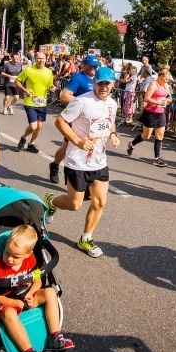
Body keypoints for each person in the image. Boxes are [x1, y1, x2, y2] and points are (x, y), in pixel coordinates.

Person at [44, 67, 120, 258]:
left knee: (100, 201)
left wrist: (113, 134)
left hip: (100, 162)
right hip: (77, 162)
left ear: (113, 84)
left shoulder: (112, 103)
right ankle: (51, 202)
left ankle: (86, 238)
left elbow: (110, 121)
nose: (103, 87)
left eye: (107, 83)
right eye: (100, 83)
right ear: (94, 82)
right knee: (74, 204)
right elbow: (60, 121)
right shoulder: (81, 101)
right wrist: (77, 141)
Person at [0, 225, 74, 352]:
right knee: (8, 313)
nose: (9, 259)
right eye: (7, 252)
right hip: (6, 303)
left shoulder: (30, 260)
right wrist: (12, 302)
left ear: (27, 254)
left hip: (26, 297)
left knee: (50, 292)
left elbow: (37, 280)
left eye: (15, 256)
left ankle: (55, 337)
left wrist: (31, 293)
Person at [49, 54, 99, 184]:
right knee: (69, 147)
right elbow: (64, 97)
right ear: (84, 65)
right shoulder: (78, 78)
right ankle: (56, 165)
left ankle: (87, 180)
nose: (94, 68)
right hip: (76, 119)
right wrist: (84, 103)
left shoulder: (98, 79)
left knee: (92, 148)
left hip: (92, 121)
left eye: (96, 66)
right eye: (92, 66)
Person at [127, 67, 172, 167]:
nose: (167, 81)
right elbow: (146, 99)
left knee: (160, 136)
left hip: (160, 113)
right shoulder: (153, 84)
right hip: (150, 113)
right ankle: (132, 144)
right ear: (160, 76)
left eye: (168, 79)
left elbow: (169, 96)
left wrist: (168, 99)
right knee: (146, 136)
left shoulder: (165, 85)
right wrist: (158, 102)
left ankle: (157, 159)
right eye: (166, 79)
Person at [14, 52, 54, 153]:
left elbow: (50, 86)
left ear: (46, 59)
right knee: (33, 126)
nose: (41, 60)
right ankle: (24, 137)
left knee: (39, 127)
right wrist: (25, 90)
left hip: (42, 103)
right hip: (30, 102)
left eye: (43, 58)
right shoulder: (28, 70)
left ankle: (31, 144)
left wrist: (52, 88)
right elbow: (17, 81)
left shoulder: (49, 72)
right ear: (35, 59)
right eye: (39, 58)